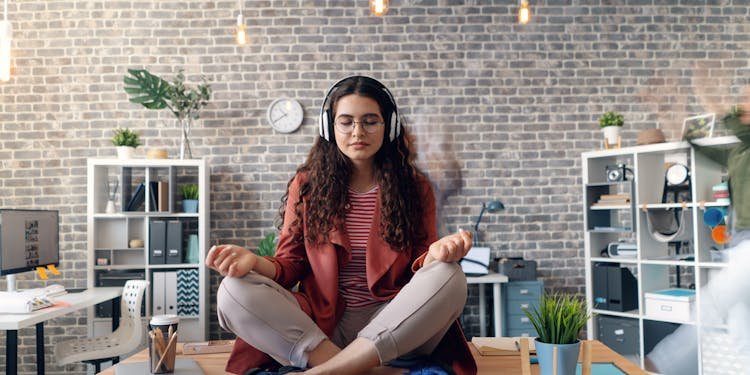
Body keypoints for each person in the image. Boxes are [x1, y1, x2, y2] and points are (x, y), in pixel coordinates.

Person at [206, 76, 477, 375]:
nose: (358, 132)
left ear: (390, 126)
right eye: (346, 122)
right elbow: (291, 264)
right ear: (329, 127)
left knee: (448, 275)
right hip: (322, 328)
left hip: (395, 325)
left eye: (370, 121)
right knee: (232, 291)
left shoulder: (415, 187)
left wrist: (436, 255)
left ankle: (328, 372)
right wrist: (254, 262)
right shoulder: (307, 185)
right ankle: (364, 370)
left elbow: (421, 265)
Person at [646, 98, 750, 374]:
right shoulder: (739, 151)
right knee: (742, 333)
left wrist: (717, 104)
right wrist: (677, 116)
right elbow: (701, 148)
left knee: (710, 304)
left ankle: (656, 365)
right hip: (739, 244)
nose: (744, 106)